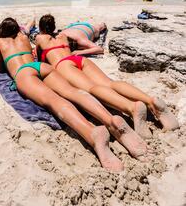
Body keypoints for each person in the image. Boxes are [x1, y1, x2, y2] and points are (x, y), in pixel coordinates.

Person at [0, 18, 151, 170]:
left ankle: (92, 133)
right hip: (41, 66)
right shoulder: (24, 37)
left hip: (24, 73)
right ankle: (110, 120)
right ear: (17, 29)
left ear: (2, 31)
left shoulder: (0, 42)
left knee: (53, 100)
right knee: (73, 92)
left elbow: (0, 68)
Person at [36, 15, 179, 138]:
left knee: (92, 88)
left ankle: (131, 107)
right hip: (79, 60)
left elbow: (40, 60)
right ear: (54, 26)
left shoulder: (40, 38)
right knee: (109, 83)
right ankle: (150, 100)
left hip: (63, 64)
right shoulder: (63, 36)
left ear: (41, 28)